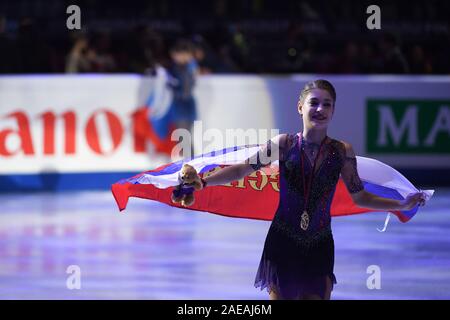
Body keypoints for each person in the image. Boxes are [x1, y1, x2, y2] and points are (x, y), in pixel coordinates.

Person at [192, 79, 426, 300]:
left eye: (327, 104)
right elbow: (242, 169)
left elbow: (360, 196)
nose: (320, 109)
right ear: (300, 107)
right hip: (282, 241)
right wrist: (203, 182)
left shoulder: (342, 151)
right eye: (314, 102)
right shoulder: (284, 144)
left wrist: (401, 205)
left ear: (333, 110)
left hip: (319, 244)